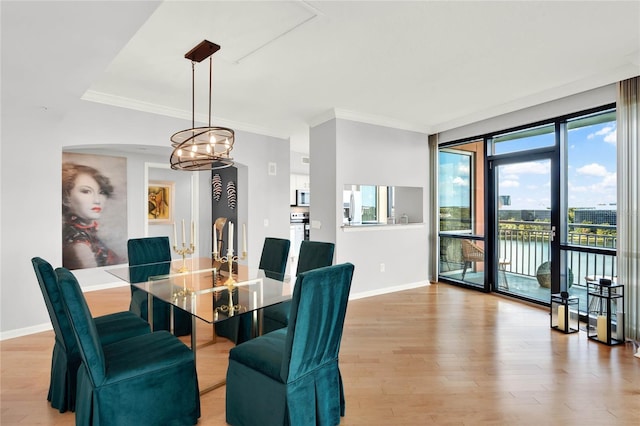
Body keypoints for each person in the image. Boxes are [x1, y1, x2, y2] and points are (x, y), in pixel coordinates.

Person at [62, 162, 122, 269]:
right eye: (86, 191)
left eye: (101, 192)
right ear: (66, 198)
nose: (97, 200)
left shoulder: (87, 233)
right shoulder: (79, 244)